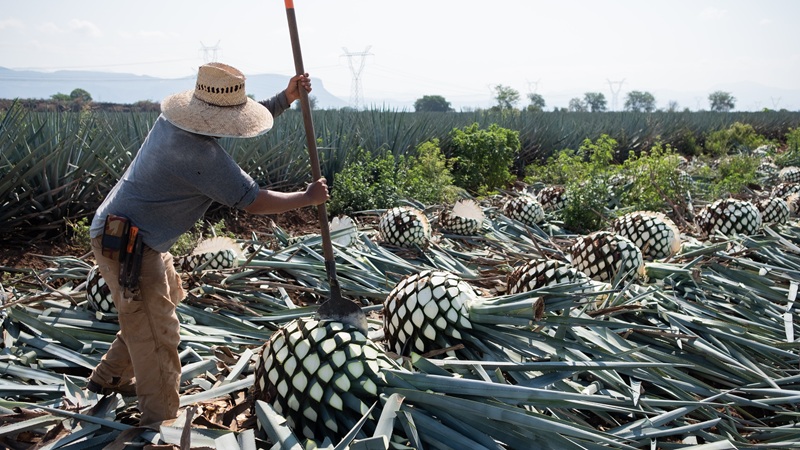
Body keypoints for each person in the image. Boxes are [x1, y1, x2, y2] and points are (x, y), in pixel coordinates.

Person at [85, 62, 327, 427]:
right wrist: (306, 198)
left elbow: (224, 123)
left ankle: (109, 377)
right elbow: (254, 200)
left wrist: (285, 98)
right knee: (158, 332)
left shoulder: (173, 122)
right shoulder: (198, 156)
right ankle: (158, 420)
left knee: (158, 307)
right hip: (128, 246)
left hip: (131, 234)